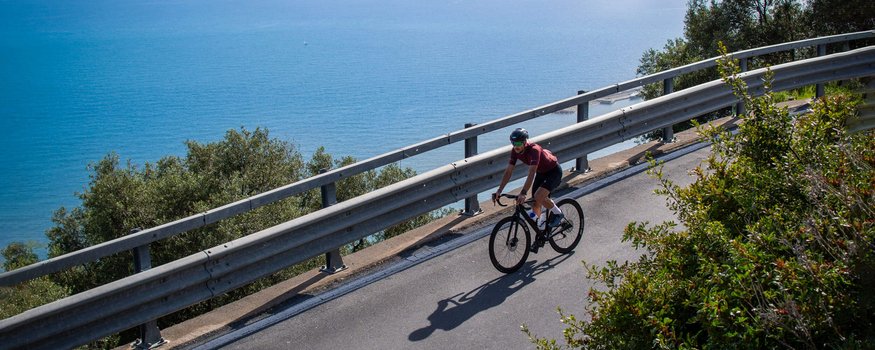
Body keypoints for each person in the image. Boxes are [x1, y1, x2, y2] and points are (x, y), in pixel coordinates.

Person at [492, 128, 564, 229]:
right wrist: (499, 190)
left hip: (553, 172)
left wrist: (523, 192)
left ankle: (558, 213)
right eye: (513, 143)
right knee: (534, 203)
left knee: (538, 196)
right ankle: (542, 227)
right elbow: (508, 171)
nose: (516, 146)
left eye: (518, 143)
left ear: (525, 142)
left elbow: (531, 173)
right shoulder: (515, 151)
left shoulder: (534, 150)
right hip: (541, 173)